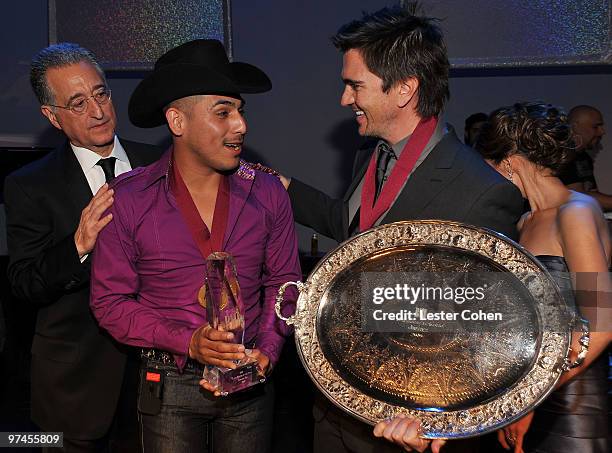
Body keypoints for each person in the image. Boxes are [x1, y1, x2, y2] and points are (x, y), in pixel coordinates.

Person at [282, 5, 524, 452]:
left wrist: (435, 420)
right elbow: (354, 230)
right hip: (337, 402)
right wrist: (282, 186)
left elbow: (485, 330)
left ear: (404, 90)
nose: (344, 99)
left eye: (355, 85)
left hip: (401, 421)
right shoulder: (371, 156)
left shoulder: (480, 191)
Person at [89, 39, 301, 453]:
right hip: (169, 385)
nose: (241, 125)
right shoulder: (129, 198)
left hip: (250, 381)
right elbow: (109, 301)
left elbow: (286, 283)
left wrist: (269, 351)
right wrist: (187, 342)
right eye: (223, 112)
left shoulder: (268, 192)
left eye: (240, 111)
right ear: (177, 121)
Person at [3, 43, 163, 451]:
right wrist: (77, 244)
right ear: (51, 117)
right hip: (73, 389)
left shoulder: (163, 165)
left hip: (162, 383)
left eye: (101, 93)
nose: (97, 111)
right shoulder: (30, 184)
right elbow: (24, 283)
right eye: (77, 103)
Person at [475, 101, 611, 453]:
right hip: (534, 394)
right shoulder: (524, 222)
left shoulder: (576, 212)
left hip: (572, 401)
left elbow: (601, 325)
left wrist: (532, 395)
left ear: (510, 162)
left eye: (489, 167)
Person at [560, 105, 611, 210]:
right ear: (575, 126)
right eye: (596, 127)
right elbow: (576, 196)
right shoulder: (562, 156)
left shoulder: (584, 157)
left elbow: (591, 193)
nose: (602, 132)